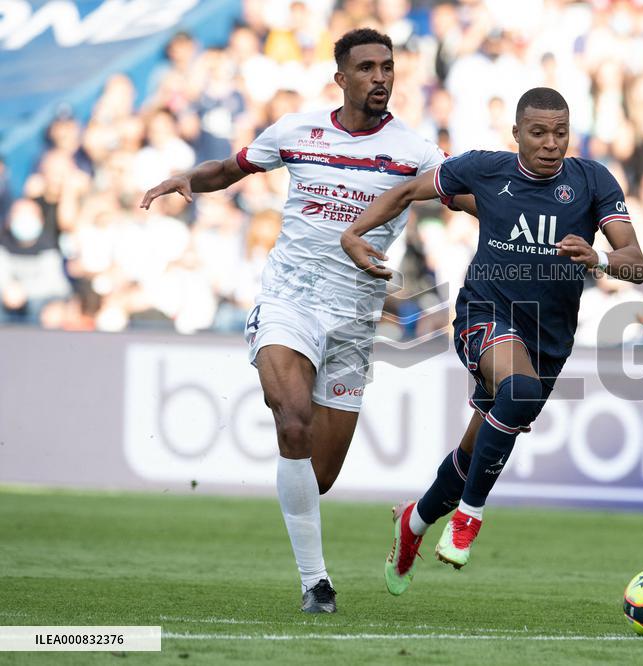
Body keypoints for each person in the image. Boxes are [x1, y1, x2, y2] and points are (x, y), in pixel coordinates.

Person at [139, 28, 471, 613]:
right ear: (340, 78)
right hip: (290, 300)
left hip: (354, 322)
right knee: (291, 420)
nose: (380, 77)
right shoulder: (297, 131)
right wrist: (192, 177)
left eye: (387, 67)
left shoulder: (416, 152)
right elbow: (235, 167)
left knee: (316, 478)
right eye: (366, 67)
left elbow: (467, 197)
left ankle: (321, 534)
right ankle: (316, 583)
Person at [341, 87, 643, 596]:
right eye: (539, 132)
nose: (551, 143)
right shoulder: (485, 170)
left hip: (549, 338)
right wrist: (355, 234)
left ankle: (413, 522)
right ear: (517, 134)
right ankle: (469, 520)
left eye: (561, 133)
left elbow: (635, 261)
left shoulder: (593, 180)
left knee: (474, 453)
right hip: (485, 313)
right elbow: (406, 193)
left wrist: (599, 260)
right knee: (519, 394)